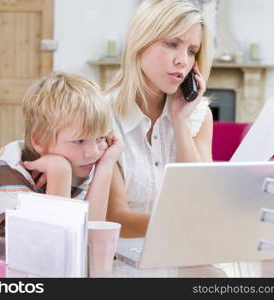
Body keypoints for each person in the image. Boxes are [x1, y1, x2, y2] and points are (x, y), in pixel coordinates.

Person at [0, 72, 123, 236]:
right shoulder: (10, 166)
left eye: (100, 138)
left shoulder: (80, 163)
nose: (93, 152)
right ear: (39, 141)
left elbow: (89, 237)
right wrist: (60, 171)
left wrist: (106, 165)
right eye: (79, 141)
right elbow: (52, 243)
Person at [105, 0, 214, 237]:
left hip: (181, 254)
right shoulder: (102, 116)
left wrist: (180, 122)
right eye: (172, 43)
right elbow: (115, 217)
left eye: (192, 51)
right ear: (140, 42)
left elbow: (201, 200)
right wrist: (189, 227)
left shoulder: (199, 116)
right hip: (120, 259)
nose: (183, 61)